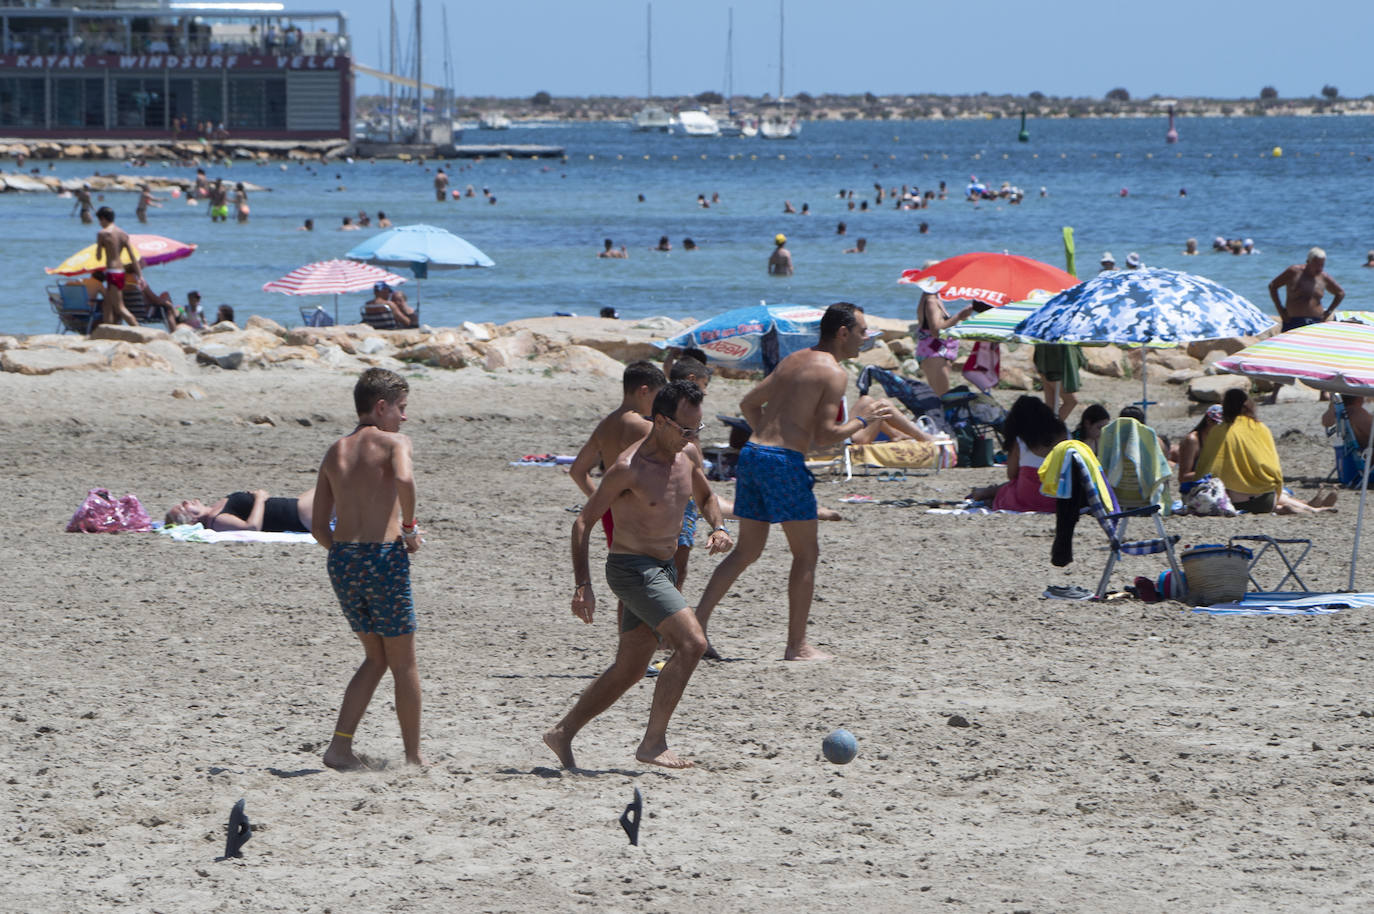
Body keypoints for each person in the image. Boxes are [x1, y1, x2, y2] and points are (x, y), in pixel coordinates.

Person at [545, 380, 731, 771]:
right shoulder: (628, 469)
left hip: (662, 568)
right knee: (693, 643)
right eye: (685, 429)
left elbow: (707, 497)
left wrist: (719, 527)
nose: (692, 437)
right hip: (632, 570)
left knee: (631, 668)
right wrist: (584, 586)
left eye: (697, 429)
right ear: (661, 421)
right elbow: (583, 523)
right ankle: (653, 743)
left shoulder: (688, 454)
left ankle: (562, 733)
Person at [693, 303, 893, 662]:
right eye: (863, 331)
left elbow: (749, 403)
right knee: (806, 554)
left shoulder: (795, 358)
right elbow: (824, 435)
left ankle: (697, 629)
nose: (867, 337)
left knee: (747, 551)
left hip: (753, 455)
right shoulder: (833, 373)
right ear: (843, 332)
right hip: (783, 463)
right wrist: (862, 421)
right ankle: (796, 646)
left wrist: (767, 438)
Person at [313, 369, 424, 770]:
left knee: (375, 658)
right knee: (404, 662)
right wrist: (409, 529)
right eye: (402, 408)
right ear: (381, 406)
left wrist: (345, 553)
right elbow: (406, 481)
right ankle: (413, 757)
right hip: (382, 557)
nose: (404, 418)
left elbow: (316, 525)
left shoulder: (335, 450)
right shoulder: (395, 442)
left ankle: (339, 748)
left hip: (342, 559)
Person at [569, 360, 667, 551]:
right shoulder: (645, 428)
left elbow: (577, 471)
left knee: (621, 568)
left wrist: (602, 500)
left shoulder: (606, 425)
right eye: (658, 397)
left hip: (612, 509)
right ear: (644, 391)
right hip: (640, 510)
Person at [1197, 389, 1336, 514]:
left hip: (1232, 501)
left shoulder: (1218, 431)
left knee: (1238, 490)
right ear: (1249, 405)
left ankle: (1293, 508)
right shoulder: (1260, 428)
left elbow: (1208, 469)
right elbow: (1272, 465)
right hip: (1266, 498)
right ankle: (1308, 507)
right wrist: (1276, 486)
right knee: (1269, 494)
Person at [966, 396, 1067, 511]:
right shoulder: (1065, 435)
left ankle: (986, 493)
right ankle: (987, 492)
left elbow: (1012, 475)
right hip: (1060, 498)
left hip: (1028, 499)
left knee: (1013, 486)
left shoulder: (1020, 442)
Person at [913, 278, 973, 397]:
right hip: (934, 353)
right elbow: (936, 331)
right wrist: (959, 316)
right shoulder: (931, 301)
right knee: (943, 398)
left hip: (931, 352)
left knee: (936, 397)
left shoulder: (929, 298)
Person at [165, 486, 316, 532]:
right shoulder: (216, 521)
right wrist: (259, 499)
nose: (185, 501)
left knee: (331, 477)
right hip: (298, 515)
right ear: (193, 521)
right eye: (183, 507)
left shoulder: (214, 510)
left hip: (296, 505)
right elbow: (251, 527)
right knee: (336, 481)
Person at [1269, 247, 1345, 331]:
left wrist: (1328, 312)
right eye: (1316, 265)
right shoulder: (1294, 272)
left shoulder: (1323, 277)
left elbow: (1340, 293)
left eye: (1322, 265)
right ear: (1308, 262)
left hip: (1316, 321)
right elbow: (1273, 286)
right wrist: (1280, 310)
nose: (1319, 268)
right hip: (1293, 321)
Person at [94, 206, 140, 328]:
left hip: (112, 272)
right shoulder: (123, 234)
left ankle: (139, 329)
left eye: (99, 220)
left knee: (119, 307)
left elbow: (98, 257)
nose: (99, 224)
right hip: (121, 272)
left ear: (103, 218)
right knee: (107, 304)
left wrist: (100, 246)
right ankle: (108, 332)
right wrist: (140, 276)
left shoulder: (103, 234)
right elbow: (132, 257)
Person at [1176, 404, 1223, 494]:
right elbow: (1183, 477)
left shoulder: (1218, 439)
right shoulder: (1192, 441)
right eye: (1219, 425)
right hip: (1194, 492)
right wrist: (1212, 472)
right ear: (1208, 420)